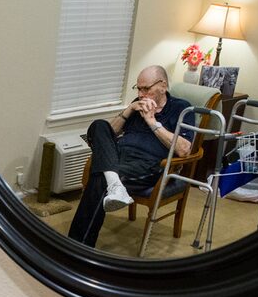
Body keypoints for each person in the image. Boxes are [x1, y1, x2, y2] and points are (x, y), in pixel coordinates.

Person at [68, 65, 196, 247]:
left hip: (148, 164)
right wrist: (129, 109)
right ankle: (114, 182)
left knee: (99, 178)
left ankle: (78, 246)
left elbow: (184, 149)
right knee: (98, 125)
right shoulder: (137, 103)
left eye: (147, 88)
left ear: (163, 86)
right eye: (139, 88)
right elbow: (108, 135)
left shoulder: (182, 108)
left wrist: (152, 122)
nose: (142, 94)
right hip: (117, 157)